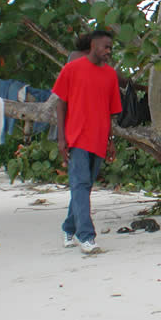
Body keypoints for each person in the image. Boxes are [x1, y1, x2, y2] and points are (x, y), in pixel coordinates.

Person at [52, 30, 122, 254]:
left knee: (85, 187)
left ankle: (68, 227)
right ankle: (87, 237)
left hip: (100, 138)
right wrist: (62, 138)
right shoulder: (72, 69)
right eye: (105, 47)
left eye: (111, 48)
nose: (108, 51)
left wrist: (111, 141)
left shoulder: (111, 75)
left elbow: (112, 112)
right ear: (93, 45)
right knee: (80, 184)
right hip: (77, 137)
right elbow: (60, 104)